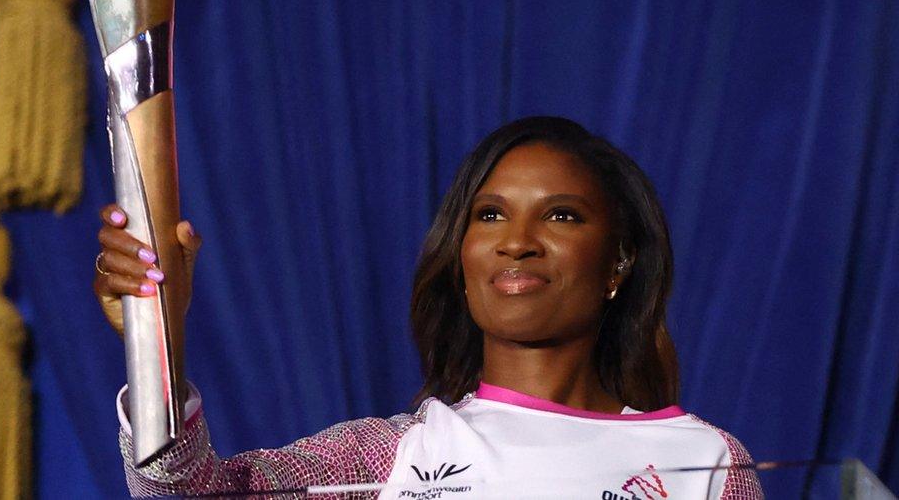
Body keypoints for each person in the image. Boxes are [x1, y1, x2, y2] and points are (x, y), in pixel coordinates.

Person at [94, 116, 764, 498]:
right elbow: (189, 495)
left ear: (619, 263)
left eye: (561, 215)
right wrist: (159, 347)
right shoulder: (383, 457)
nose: (518, 242)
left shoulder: (707, 461)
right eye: (491, 214)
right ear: (463, 258)